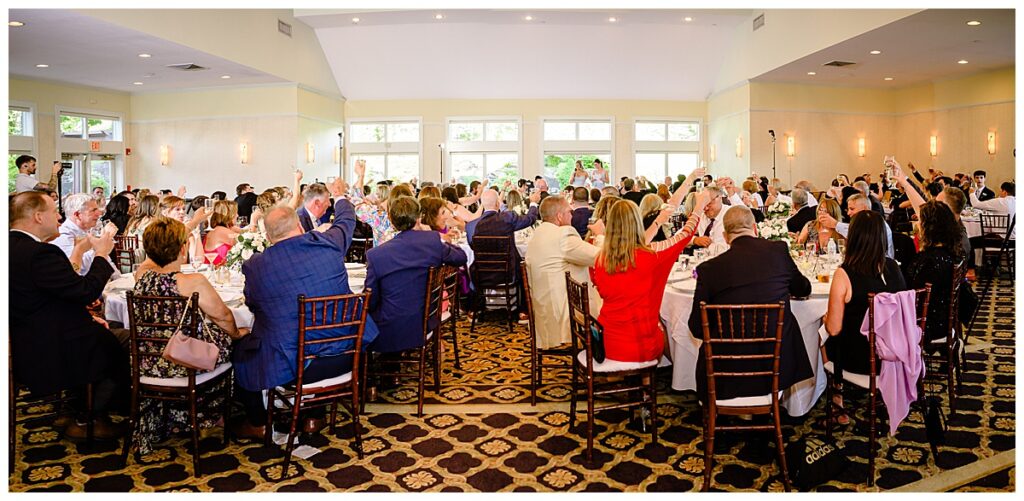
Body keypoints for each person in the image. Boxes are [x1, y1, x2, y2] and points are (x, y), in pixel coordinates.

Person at [232, 176, 378, 438]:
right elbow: (346, 221)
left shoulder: (256, 265)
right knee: (312, 329)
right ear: (300, 225)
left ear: (266, 236)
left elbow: (253, 306)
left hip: (296, 364)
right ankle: (313, 415)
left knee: (243, 346)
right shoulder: (328, 244)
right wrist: (341, 195)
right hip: (346, 354)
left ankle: (258, 421)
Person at [9, 191, 126, 439]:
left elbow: (47, 297)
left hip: (28, 334)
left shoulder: (12, 247)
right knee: (121, 343)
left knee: (102, 329)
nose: (59, 217)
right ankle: (89, 418)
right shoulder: (39, 253)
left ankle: (75, 409)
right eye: (54, 211)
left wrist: (85, 316)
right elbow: (85, 291)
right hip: (51, 343)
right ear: (39, 217)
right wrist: (102, 254)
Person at [130, 218, 245, 453]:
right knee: (239, 342)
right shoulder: (193, 282)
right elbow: (223, 317)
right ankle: (211, 414)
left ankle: (176, 413)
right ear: (182, 248)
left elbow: (150, 264)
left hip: (147, 361)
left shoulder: (141, 276)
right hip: (186, 363)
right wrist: (237, 333)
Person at [689, 205, 814, 401]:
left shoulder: (709, 270)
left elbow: (697, 328)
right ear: (755, 228)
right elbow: (803, 289)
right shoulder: (778, 251)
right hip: (776, 365)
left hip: (726, 372)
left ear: (726, 235)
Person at [589, 191, 709, 362]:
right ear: (638, 224)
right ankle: (678, 373)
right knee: (665, 324)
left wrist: (660, 220)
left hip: (605, 342)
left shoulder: (600, 259)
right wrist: (698, 207)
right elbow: (686, 234)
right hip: (640, 346)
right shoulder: (651, 256)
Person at [823, 211, 908, 415]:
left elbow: (834, 329)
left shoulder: (844, 274)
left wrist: (825, 320)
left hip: (860, 359)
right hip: (894, 353)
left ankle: (837, 397)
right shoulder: (894, 267)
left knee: (822, 333)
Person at [364, 196, 468, 354]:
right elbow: (461, 257)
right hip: (424, 322)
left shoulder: (375, 255)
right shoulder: (432, 241)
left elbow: (371, 301)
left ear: (391, 221)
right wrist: (439, 239)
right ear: (419, 218)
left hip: (388, 328)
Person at [525, 195, 602, 349]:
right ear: (559, 216)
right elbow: (600, 258)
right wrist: (600, 235)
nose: (572, 215)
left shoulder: (538, 234)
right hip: (564, 314)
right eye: (569, 212)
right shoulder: (563, 234)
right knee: (612, 304)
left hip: (544, 313)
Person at [903, 201, 963, 345]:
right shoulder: (951, 252)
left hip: (928, 324)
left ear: (929, 227)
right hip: (943, 318)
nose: (917, 225)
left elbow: (914, 294)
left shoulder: (930, 261)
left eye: (919, 221)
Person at [50, 193, 118, 276]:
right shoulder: (63, 234)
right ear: (77, 215)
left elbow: (107, 261)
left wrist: (118, 277)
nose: (99, 213)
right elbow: (78, 267)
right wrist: (102, 246)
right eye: (93, 210)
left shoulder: (86, 231)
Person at [818, 193, 895, 259]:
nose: (848, 213)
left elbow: (858, 234)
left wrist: (835, 224)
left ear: (865, 208)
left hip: (881, 267)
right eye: (848, 209)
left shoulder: (877, 223)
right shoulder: (863, 222)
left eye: (852, 209)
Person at [202, 200, 245, 265]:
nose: (237, 215)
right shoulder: (222, 231)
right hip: (219, 271)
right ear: (228, 214)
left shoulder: (216, 229)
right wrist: (253, 223)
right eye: (235, 213)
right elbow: (245, 241)